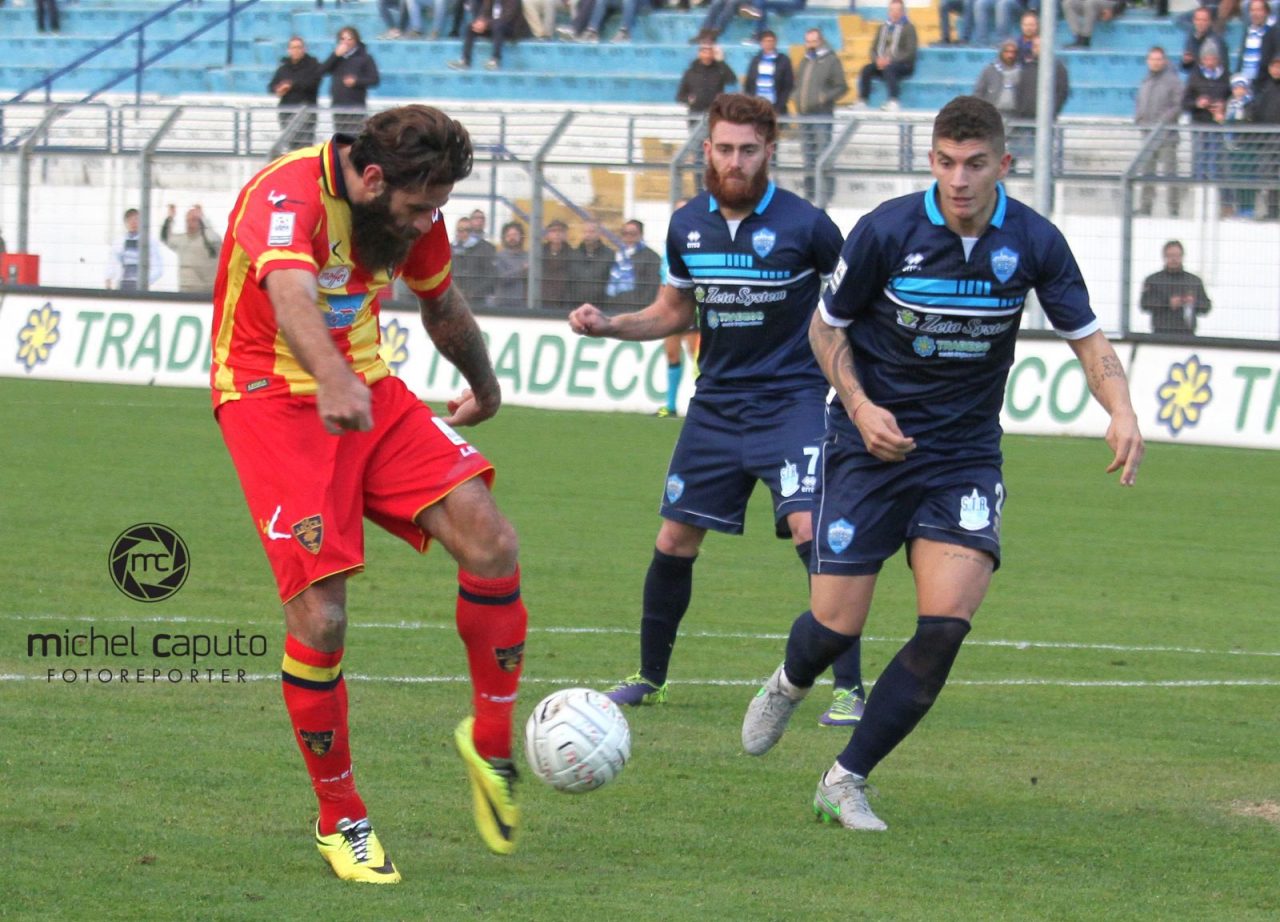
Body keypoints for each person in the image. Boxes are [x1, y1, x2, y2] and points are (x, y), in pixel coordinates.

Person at [740, 95, 1144, 833]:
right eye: (947, 163)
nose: (960, 179)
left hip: (962, 457)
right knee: (835, 625)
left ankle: (846, 777)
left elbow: (1088, 340)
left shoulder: (1034, 240)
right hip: (866, 447)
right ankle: (793, 678)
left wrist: (1119, 408)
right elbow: (824, 334)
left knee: (947, 624)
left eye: (976, 164)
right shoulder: (887, 231)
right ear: (932, 160)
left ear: (1003, 164)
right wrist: (860, 408)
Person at [210, 104, 529, 881]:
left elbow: (440, 302)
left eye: (439, 207)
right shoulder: (287, 198)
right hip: (268, 397)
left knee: (492, 541)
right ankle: (340, 817)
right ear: (373, 177)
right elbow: (290, 298)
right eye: (420, 207)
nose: (428, 222)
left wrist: (482, 387)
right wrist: (330, 378)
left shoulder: (413, 215)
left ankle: (489, 746)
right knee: (321, 618)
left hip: (368, 388)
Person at [568, 94, 868, 724]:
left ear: (770, 152)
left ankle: (849, 686)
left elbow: (848, 307)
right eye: (724, 149)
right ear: (706, 150)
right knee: (674, 537)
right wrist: (610, 325)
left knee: (816, 533)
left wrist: (859, 387)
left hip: (792, 403)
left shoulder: (808, 226)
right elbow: (674, 311)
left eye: (748, 150)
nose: (735, 162)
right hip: (716, 407)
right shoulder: (686, 225)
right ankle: (651, 678)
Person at [656, 198, 699, 419]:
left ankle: (702, 404)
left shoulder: (700, 239)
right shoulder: (670, 243)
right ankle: (670, 405)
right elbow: (664, 279)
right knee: (672, 353)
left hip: (691, 303)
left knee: (697, 356)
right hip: (670, 304)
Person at [795, 28, 848, 202]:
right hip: (803, 116)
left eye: (814, 41)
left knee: (823, 155)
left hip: (821, 116)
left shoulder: (831, 60)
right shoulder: (804, 60)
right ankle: (809, 194)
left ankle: (825, 194)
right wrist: (795, 97)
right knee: (808, 156)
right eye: (808, 41)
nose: (810, 45)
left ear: (821, 41)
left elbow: (842, 87)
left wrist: (823, 97)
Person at [1135, 46, 1185, 217]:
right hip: (1147, 135)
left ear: (1164, 61)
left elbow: (1178, 105)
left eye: (1158, 59)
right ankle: (1145, 207)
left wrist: (1162, 123)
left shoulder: (1173, 81)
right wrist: (1139, 119)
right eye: (1152, 59)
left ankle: (1173, 209)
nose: (1155, 62)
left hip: (1167, 136)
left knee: (1170, 173)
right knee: (1147, 173)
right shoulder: (1145, 81)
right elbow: (1140, 103)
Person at [857, 0, 917, 112]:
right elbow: (873, 49)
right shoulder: (883, 27)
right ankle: (863, 100)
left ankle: (893, 101)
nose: (895, 13)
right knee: (866, 69)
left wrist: (890, 60)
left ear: (903, 12)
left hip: (903, 65)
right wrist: (877, 60)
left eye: (898, 10)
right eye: (892, 10)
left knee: (890, 69)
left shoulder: (909, 28)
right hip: (882, 63)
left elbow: (910, 52)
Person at [1140, 240, 1212, 333]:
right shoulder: (1153, 280)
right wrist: (1168, 303)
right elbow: (1145, 304)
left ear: (1182, 256)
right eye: (1170, 256)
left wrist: (1193, 302)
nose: (1174, 259)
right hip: (1160, 333)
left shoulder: (1193, 281)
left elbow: (1206, 307)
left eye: (1177, 256)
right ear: (1164, 257)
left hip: (1187, 334)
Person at [1183, 43, 1231, 181]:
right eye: (1207, 59)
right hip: (1199, 124)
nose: (1210, 62)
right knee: (1199, 157)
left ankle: (1215, 190)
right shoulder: (1194, 77)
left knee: (1216, 159)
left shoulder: (1226, 76)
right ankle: (1199, 187)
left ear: (1218, 59)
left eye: (1213, 59)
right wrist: (1198, 103)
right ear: (1202, 60)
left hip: (1218, 125)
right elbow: (1185, 102)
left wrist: (1223, 106)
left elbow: (1233, 98)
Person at [321, 26, 380, 135]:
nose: (346, 42)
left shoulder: (365, 58)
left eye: (349, 39)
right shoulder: (337, 58)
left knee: (355, 138)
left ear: (356, 40)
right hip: (338, 105)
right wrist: (335, 55)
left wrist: (356, 81)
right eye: (342, 39)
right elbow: (322, 71)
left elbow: (374, 79)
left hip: (356, 106)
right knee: (340, 139)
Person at [269, 36, 324, 149]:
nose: (296, 50)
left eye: (299, 47)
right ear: (289, 50)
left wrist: (291, 85)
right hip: (286, 112)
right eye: (293, 47)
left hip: (306, 113)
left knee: (305, 148)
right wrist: (278, 89)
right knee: (290, 148)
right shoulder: (283, 68)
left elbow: (312, 83)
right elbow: (271, 86)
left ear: (304, 49)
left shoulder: (313, 65)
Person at [601, 219, 662, 313]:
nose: (628, 237)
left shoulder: (652, 257)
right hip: (613, 308)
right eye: (625, 233)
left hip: (636, 310)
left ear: (641, 235)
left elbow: (652, 289)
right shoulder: (617, 255)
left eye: (633, 233)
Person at [448, 0, 527, 70]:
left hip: (510, 29)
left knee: (498, 25)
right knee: (471, 27)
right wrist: (480, 22)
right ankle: (465, 61)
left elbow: (507, 18)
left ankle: (495, 60)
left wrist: (486, 23)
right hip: (493, 26)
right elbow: (484, 13)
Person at [161, 204, 222, 293]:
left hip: (207, 291)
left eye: (194, 220)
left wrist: (203, 218)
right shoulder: (182, 239)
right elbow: (166, 238)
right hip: (186, 290)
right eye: (188, 220)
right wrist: (170, 218)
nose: (190, 223)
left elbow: (214, 238)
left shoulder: (209, 240)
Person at [106, 208, 164, 291]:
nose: (133, 222)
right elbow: (112, 262)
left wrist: (144, 282)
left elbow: (158, 268)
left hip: (140, 287)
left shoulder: (149, 241)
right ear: (125, 223)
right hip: (122, 286)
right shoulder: (119, 241)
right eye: (129, 219)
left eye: (136, 219)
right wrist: (108, 279)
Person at [1252, 53, 1280, 219]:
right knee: (1269, 178)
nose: (1276, 70)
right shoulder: (1265, 88)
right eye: (1274, 66)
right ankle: (1272, 210)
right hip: (1268, 141)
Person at [743, 30, 796, 116]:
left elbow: (788, 85)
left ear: (775, 42)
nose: (768, 44)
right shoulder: (755, 60)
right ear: (761, 43)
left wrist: (779, 106)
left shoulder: (783, 60)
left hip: (776, 107)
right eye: (766, 41)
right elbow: (748, 84)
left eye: (771, 41)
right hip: (757, 107)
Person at [568, 218, 614, 307]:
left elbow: (611, 283)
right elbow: (569, 283)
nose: (588, 235)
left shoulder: (610, 255)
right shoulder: (574, 255)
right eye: (585, 232)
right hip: (577, 307)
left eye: (591, 232)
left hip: (601, 307)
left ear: (599, 233)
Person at [451, 215, 496, 305]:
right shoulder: (449, 249)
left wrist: (474, 293)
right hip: (454, 300)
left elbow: (490, 276)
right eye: (460, 230)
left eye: (467, 230)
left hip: (477, 301)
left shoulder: (484, 249)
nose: (463, 233)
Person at [972, 39, 1023, 118]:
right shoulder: (989, 70)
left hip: (1015, 115)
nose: (1010, 55)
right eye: (1007, 52)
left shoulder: (1021, 72)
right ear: (1001, 52)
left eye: (1013, 52)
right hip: (993, 114)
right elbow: (978, 92)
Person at [1237, 0, 1277, 87]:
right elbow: (1242, 58)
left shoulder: (1274, 32)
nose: (1255, 14)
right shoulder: (1248, 31)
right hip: (1245, 84)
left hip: (1265, 84)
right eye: (1252, 10)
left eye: (1259, 10)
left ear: (1266, 12)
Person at [540, 218, 576, 310]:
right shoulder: (538, 254)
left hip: (563, 304)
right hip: (541, 303)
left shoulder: (572, 255)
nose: (557, 234)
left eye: (561, 231)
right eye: (553, 231)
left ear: (566, 234)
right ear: (547, 235)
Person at [493, 220, 530, 308]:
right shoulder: (498, 256)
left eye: (515, 235)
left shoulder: (528, 256)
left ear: (521, 236)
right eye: (509, 235)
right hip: (503, 304)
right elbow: (501, 278)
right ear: (504, 238)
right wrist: (522, 270)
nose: (512, 238)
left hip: (524, 305)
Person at [1181, 7, 1222, 73]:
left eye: (1204, 20)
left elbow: (1218, 66)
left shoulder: (1216, 40)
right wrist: (1186, 62)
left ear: (1210, 22)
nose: (1201, 23)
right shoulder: (1191, 37)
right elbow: (1186, 68)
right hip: (1195, 77)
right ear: (1194, 21)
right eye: (1198, 20)